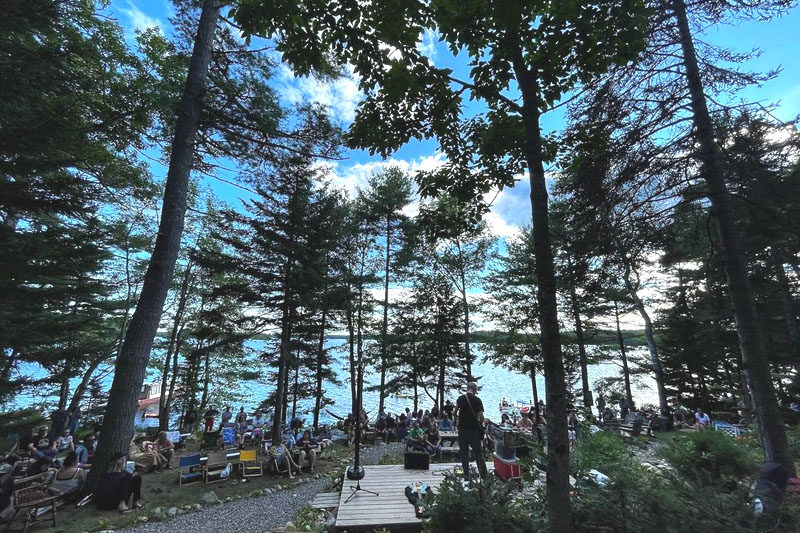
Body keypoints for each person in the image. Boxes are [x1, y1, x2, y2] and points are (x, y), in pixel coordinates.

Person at [456, 381, 488, 480]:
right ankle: (484, 476)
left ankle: (466, 475)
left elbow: (455, 412)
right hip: (473, 430)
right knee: (478, 453)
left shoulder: (460, 398)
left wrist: (459, 420)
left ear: (467, 388)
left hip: (461, 430)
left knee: (464, 454)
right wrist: (481, 423)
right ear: (475, 390)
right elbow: (481, 416)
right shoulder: (477, 400)